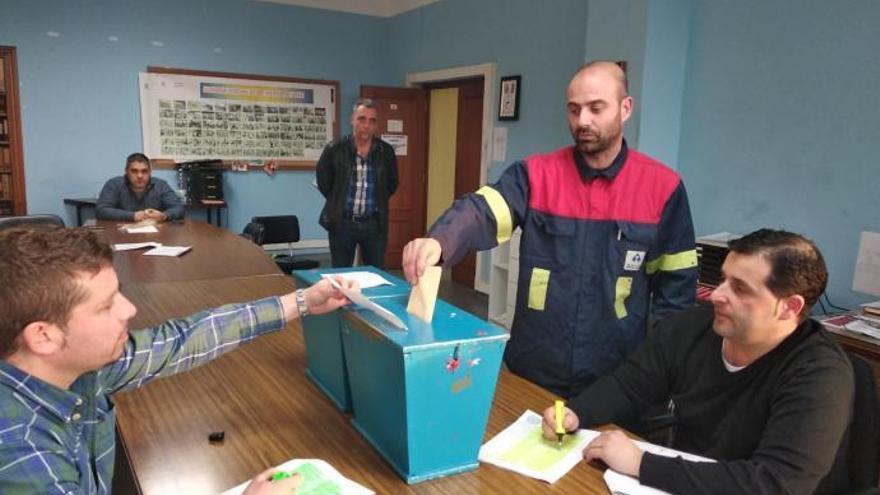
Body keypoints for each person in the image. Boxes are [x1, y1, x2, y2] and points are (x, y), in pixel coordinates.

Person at [403, 61, 697, 397]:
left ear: (625, 108)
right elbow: (482, 211)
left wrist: (664, 374)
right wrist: (439, 241)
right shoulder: (534, 175)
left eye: (595, 108)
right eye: (574, 110)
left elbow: (676, 296)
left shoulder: (663, 187)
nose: (582, 120)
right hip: (535, 366)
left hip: (617, 376)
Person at [0, 226, 357, 494]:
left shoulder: (73, 370)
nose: (130, 309)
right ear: (43, 336)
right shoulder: (24, 457)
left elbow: (181, 340)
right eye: (107, 305)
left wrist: (303, 302)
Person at [541, 229, 855, 494]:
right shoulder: (691, 327)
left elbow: (775, 483)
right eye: (723, 280)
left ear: (789, 307)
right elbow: (630, 385)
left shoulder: (821, 375)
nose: (717, 294)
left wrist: (640, 464)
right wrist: (576, 412)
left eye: (740, 288)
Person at [317, 99, 399, 268]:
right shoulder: (335, 149)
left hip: (374, 225)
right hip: (343, 223)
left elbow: (391, 183)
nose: (366, 125)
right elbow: (324, 181)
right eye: (362, 119)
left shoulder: (385, 152)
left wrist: (377, 200)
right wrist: (338, 199)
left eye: (372, 121)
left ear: (376, 125)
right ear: (352, 119)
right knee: (341, 275)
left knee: (375, 275)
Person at [95, 152, 184, 222]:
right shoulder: (114, 184)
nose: (140, 176)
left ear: (150, 172)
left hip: (154, 234)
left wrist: (164, 216)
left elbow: (179, 208)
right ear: (126, 171)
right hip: (121, 234)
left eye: (144, 171)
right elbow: (101, 210)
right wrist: (132, 216)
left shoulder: (161, 185)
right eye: (134, 171)